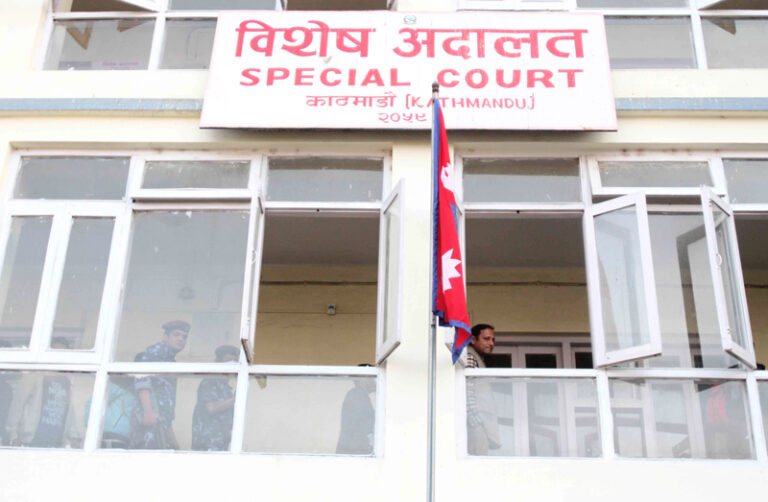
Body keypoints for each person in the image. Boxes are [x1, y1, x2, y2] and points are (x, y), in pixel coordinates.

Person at [5, 337, 83, 448]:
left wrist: (74, 436)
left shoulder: (66, 381)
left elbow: (69, 412)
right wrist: (13, 435)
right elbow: (18, 405)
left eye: (62, 354)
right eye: (55, 352)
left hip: (55, 443)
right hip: (31, 441)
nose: (58, 357)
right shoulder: (34, 376)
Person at [130, 320, 190, 449]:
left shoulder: (170, 361)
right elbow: (142, 381)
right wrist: (148, 411)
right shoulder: (155, 353)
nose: (181, 339)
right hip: (148, 424)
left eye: (184, 337)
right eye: (176, 335)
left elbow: (166, 407)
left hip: (160, 425)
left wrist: (171, 438)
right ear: (165, 337)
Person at [191, 345, 238, 451]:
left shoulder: (226, 389)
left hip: (221, 447)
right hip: (206, 448)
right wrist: (234, 399)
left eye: (234, 362)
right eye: (227, 361)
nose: (231, 365)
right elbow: (211, 407)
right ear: (218, 362)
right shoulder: (210, 382)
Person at [466, 323, 500, 455]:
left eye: (493, 340)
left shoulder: (477, 359)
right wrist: (478, 425)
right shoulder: (470, 357)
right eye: (486, 339)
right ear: (473, 340)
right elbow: (466, 394)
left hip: (479, 426)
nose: (491, 343)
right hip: (475, 425)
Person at [336, 364, 376, 455]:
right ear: (363, 379)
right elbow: (363, 428)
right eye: (373, 377)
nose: (375, 381)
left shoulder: (359, 395)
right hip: (353, 453)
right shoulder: (357, 395)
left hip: (353, 453)